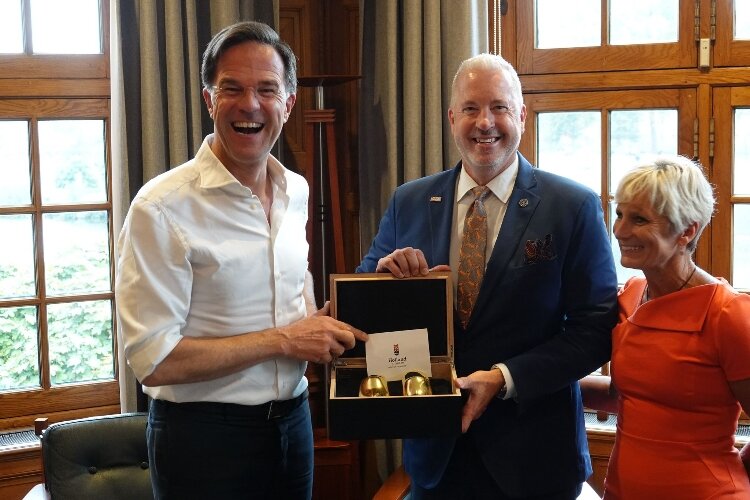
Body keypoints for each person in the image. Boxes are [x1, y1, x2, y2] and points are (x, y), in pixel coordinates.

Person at [115, 21, 367, 500]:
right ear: (210, 100)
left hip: (294, 426)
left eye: (267, 89)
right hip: (203, 440)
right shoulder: (161, 207)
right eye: (232, 88)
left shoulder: (297, 191)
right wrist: (284, 340)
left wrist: (379, 292)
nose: (250, 104)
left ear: (288, 104)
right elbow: (153, 359)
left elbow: (297, 306)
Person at [357, 53, 619, 499]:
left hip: (535, 458)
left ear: (521, 115)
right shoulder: (410, 201)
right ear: (451, 116)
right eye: (472, 108)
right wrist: (386, 281)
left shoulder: (572, 206)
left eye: (499, 107)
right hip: (436, 455)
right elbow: (360, 310)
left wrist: (504, 377)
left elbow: (594, 331)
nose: (485, 123)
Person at [579, 155, 750, 499]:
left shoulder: (728, 314)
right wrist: (524, 380)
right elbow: (635, 394)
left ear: (687, 230)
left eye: (639, 219)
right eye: (620, 214)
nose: (620, 230)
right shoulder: (631, 295)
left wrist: (729, 478)